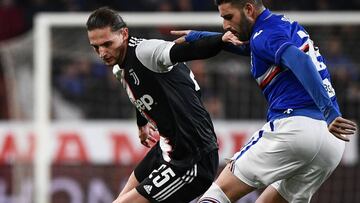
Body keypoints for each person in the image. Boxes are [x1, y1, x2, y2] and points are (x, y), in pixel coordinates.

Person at [170, 0, 357, 202]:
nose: (225, 25)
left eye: (228, 17)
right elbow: (246, 46)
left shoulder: (265, 34)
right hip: (331, 144)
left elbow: (299, 60)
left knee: (219, 193)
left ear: (249, 9)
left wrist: (329, 111)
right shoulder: (279, 25)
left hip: (295, 127)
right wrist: (199, 36)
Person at [85, 7, 238, 203]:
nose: (102, 53)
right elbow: (139, 92)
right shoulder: (119, 67)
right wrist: (142, 123)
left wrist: (220, 40)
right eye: (96, 47)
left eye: (107, 44)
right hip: (167, 147)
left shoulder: (146, 51)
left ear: (124, 34)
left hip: (193, 158)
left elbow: (186, 50)